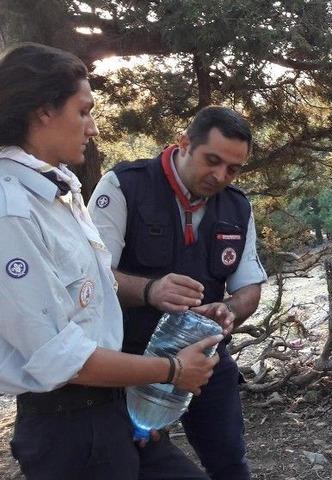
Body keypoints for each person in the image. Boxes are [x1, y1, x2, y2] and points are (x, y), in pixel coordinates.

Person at [0, 42, 220, 480]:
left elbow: (92, 298)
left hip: (110, 407)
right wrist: (172, 371)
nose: (93, 127)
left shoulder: (56, 190)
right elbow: (59, 357)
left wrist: (170, 308)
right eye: (83, 112)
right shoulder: (13, 210)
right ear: (43, 112)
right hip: (70, 428)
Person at [88, 106, 267, 480]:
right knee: (141, 462)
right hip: (130, 360)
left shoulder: (237, 206)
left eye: (233, 169)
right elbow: (91, 279)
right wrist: (150, 290)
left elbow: (249, 286)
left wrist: (230, 310)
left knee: (231, 460)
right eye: (212, 161)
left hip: (206, 359)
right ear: (184, 143)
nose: (220, 176)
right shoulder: (124, 186)